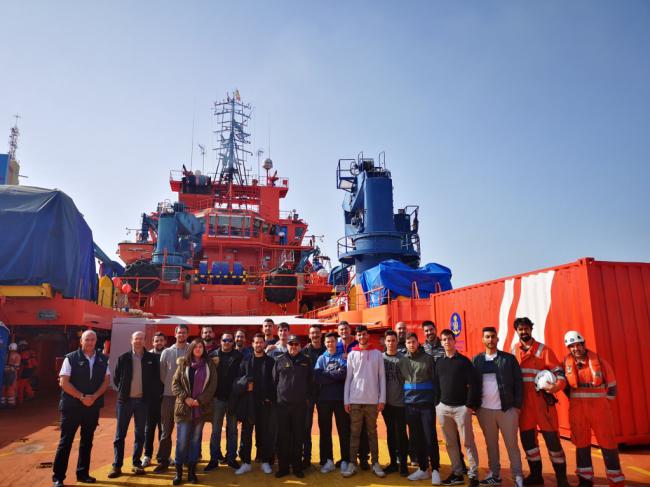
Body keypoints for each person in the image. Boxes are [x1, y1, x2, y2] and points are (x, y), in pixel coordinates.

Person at [562, 331, 624, 487]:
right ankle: (585, 480)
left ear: (583, 344)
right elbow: (565, 387)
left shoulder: (600, 362)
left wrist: (602, 404)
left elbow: (612, 387)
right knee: (581, 444)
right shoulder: (566, 364)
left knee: (608, 444)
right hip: (578, 412)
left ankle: (616, 481)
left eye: (577, 345)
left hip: (600, 411)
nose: (575, 349)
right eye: (571, 346)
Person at [512, 317, 569, 486]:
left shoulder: (544, 351)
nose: (524, 332)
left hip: (543, 403)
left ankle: (561, 478)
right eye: (520, 329)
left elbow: (560, 373)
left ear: (531, 329)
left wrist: (556, 387)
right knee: (529, 443)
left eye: (526, 328)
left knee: (553, 443)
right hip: (524, 406)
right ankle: (536, 475)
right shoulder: (513, 350)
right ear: (517, 331)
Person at [52, 330, 111, 487]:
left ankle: (83, 473)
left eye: (93, 340)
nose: (90, 342)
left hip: (92, 407)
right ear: (81, 341)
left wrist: (94, 397)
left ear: (96, 341)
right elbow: (64, 382)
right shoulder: (70, 358)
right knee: (66, 441)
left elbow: (106, 381)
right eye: (87, 339)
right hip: (72, 406)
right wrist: (82, 397)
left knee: (87, 441)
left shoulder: (103, 359)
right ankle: (58, 477)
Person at [473, 327, 524, 486]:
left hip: (507, 410)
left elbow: (518, 384)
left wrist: (517, 407)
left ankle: (518, 477)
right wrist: (475, 406)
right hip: (484, 411)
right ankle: (495, 475)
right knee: (491, 445)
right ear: (483, 340)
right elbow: (472, 385)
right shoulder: (477, 360)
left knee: (512, 445)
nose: (490, 340)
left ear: (497, 339)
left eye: (493, 337)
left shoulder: (508, 359)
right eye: (487, 337)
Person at [108, 331, 159, 478]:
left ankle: (136, 463)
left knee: (140, 434)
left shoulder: (151, 358)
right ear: (131, 340)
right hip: (125, 402)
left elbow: (155, 379)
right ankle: (117, 466)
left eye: (141, 338)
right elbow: (117, 378)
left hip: (143, 402)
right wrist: (125, 392)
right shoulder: (123, 358)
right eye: (136, 338)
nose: (138, 341)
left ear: (145, 341)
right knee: (120, 435)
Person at [435, 329, 481, 487]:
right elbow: (436, 385)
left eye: (449, 339)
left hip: (461, 409)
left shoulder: (464, 362)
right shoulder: (439, 362)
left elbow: (474, 385)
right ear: (441, 343)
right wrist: (437, 404)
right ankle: (457, 473)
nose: (447, 342)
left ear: (454, 341)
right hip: (443, 408)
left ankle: (474, 475)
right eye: (444, 339)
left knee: (468, 442)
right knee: (450, 443)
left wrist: (469, 406)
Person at [171, 338, 218, 485]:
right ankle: (179, 472)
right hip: (184, 408)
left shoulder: (209, 365)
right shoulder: (183, 363)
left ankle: (192, 472)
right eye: (195, 347)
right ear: (191, 349)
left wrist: (200, 400)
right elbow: (175, 384)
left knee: (195, 441)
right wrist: (186, 398)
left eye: (201, 347)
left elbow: (212, 386)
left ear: (204, 349)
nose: (198, 349)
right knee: (182, 441)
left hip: (200, 409)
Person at [342, 325, 386, 479]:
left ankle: (375, 463)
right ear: (356, 337)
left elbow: (382, 378)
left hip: (372, 401)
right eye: (359, 335)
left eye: (364, 334)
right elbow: (348, 378)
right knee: (354, 434)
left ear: (368, 335)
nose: (361, 337)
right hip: (355, 401)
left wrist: (382, 399)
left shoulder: (377, 354)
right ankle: (352, 463)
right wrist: (346, 400)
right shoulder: (352, 355)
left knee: (372, 433)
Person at [399, 332, 442, 484]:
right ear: (405, 345)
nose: (411, 344)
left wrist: (436, 401)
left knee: (430, 437)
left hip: (426, 405)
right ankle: (423, 469)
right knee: (416, 438)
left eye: (413, 342)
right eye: (408, 342)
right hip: (410, 405)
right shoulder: (402, 361)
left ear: (418, 343)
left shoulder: (428, 359)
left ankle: (435, 469)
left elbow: (435, 381)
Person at [236, 333, 276, 475]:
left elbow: (274, 382)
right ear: (252, 344)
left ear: (264, 344)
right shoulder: (245, 360)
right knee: (246, 433)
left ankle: (265, 461)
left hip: (264, 403)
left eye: (261, 342)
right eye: (256, 342)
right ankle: (246, 462)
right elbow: (238, 380)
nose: (258, 345)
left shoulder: (271, 361)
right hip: (248, 403)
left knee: (264, 433)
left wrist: (270, 398)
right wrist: (246, 385)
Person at [273, 334, 313, 479]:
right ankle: (283, 467)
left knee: (298, 437)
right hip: (282, 406)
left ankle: (297, 467)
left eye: (296, 344)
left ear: (300, 346)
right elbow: (274, 381)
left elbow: (311, 381)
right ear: (287, 345)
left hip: (299, 407)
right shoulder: (279, 360)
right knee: (283, 437)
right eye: (291, 344)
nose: (293, 347)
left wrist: (307, 399)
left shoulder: (306, 361)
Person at [155, 324, 190, 473]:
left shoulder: (191, 350)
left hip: (187, 397)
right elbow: (163, 375)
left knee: (186, 430)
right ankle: (163, 460)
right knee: (166, 430)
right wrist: (172, 387)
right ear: (175, 334)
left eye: (183, 332)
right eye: (179, 332)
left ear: (187, 334)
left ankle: (185, 460)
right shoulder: (167, 352)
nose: (181, 335)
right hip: (169, 396)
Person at [206, 331, 243, 471]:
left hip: (233, 399)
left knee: (232, 431)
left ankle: (231, 458)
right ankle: (214, 459)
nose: (227, 342)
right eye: (224, 340)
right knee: (215, 431)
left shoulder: (239, 356)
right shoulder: (212, 356)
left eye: (229, 340)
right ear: (220, 341)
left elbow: (242, 375)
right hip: (217, 399)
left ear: (233, 342)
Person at [314, 331, 350, 474]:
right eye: (328, 341)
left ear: (337, 342)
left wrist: (327, 375)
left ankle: (345, 460)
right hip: (324, 400)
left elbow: (344, 373)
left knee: (343, 431)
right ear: (325, 343)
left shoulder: (343, 358)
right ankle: (327, 460)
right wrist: (335, 376)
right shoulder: (321, 358)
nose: (330, 344)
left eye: (332, 341)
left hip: (340, 399)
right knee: (325, 431)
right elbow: (317, 376)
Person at [382, 330, 409, 477]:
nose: (391, 343)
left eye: (393, 340)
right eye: (388, 340)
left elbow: (408, 380)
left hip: (400, 404)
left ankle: (403, 464)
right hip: (386, 404)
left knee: (401, 434)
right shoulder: (380, 358)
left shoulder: (403, 359)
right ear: (385, 342)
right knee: (390, 434)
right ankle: (393, 463)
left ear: (397, 342)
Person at [302, 324, 326, 469]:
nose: (315, 335)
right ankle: (306, 458)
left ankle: (324, 458)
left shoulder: (327, 351)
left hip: (324, 394)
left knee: (324, 427)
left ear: (321, 334)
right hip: (308, 394)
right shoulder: (304, 352)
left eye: (317, 333)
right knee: (306, 427)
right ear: (309, 335)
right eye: (313, 333)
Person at [143, 332, 166, 468]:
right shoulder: (147, 357)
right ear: (152, 342)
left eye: (161, 341)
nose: (159, 343)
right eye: (156, 341)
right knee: (149, 428)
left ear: (165, 342)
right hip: (150, 400)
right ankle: (147, 455)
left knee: (164, 429)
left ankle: (163, 455)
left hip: (165, 398)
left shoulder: (168, 355)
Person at [1, 342, 21, 408]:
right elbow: (17, 367)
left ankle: (2, 402)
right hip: (11, 372)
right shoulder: (17, 355)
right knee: (10, 387)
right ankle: (11, 403)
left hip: (3, 372)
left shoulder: (5, 354)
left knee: (3, 387)